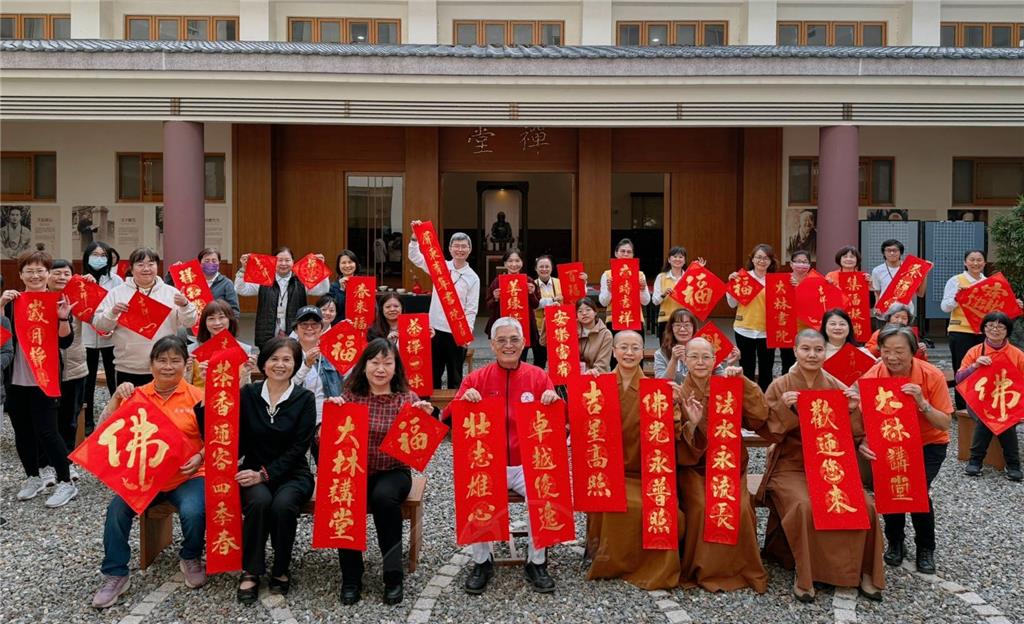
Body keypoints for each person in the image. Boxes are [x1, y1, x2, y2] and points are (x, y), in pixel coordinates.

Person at [761, 329, 884, 603]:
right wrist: (784, 409)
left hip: (831, 463)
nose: (812, 355)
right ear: (795, 351)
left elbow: (853, 433)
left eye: (818, 350)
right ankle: (806, 575)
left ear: (825, 352)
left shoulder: (836, 386)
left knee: (865, 506)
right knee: (804, 505)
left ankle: (864, 571)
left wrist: (852, 409)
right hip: (791, 465)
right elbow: (769, 433)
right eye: (806, 349)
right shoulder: (781, 386)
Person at [90, 336, 208, 609]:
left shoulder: (198, 397)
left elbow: (215, 439)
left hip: (187, 476)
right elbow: (103, 432)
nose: (168, 366)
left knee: (194, 510)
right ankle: (115, 574)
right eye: (162, 360)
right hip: (146, 477)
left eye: (175, 360)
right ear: (151, 363)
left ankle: (190, 556)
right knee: (116, 510)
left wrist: (200, 456)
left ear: (185, 364)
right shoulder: (137, 395)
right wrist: (116, 397)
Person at [444, 317, 559, 594]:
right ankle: (482, 561)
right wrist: (463, 400)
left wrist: (553, 401)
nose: (509, 345)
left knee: (542, 493)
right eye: (502, 341)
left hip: (525, 463)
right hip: (489, 462)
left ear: (523, 343)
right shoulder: (476, 378)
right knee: (477, 492)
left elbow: (559, 421)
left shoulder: (538, 377)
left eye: (514, 340)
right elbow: (449, 419)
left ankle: (536, 561)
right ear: (492, 345)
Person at [585, 330, 696, 589]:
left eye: (636, 348)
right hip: (610, 474)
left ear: (642, 354)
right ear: (613, 351)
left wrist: (675, 404)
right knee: (620, 507)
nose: (629, 353)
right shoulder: (597, 386)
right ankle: (612, 562)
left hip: (647, 474)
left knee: (666, 514)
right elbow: (581, 427)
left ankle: (653, 567)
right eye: (623, 347)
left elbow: (673, 434)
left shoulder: (654, 390)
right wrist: (585, 388)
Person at [330, 338, 434, 606]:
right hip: (356, 469)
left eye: (387, 363)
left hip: (393, 470)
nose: (380, 368)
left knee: (384, 499)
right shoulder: (350, 395)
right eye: (374, 362)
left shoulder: (406, 398)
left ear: (396, 367)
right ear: (363, 366)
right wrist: (333, 414)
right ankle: (351, 577)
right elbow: (327, 443)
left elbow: (418, 447)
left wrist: (425, 418)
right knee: (346, 497)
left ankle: (393, 576)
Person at [675, 338, 769, 592]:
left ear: (714, 359)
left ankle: (740, 568)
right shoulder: (679, 392)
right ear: (685, 360)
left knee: (740, 508)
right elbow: (671, 442)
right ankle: (702, 569)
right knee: (702, 506)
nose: (700, 362)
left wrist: (744, 382)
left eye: (706, 357)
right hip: (694, 467)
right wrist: (691, 424)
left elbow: (760, 416)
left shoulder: (728, 386)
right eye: (694, 357)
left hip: (728, 466)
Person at [857, 326, 952, 575]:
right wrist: (865, 441)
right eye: (886, 351)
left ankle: (925, 547)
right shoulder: (872, 375)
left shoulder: (932, 376)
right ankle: (895, 541)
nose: (892, 357)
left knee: (917, 490)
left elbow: (944, 423)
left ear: (913, 351)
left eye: (899, 351)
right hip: (890, 443)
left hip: (928, 443)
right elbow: (862, 415)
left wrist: (922, 403)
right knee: (891, 490)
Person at [234, 337, 316, 604]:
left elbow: (298, 448)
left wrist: (264, 474)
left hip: (293, 473)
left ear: (295, 364)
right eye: (274, 359)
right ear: (263, 362)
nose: (280, 365)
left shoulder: (304, 398)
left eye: (287, 359)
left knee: (282, 505)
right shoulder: (248, 394)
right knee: (258, 502)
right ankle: (251, 570)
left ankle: (281, 569)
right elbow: (231, 435)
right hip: (253, 469)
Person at [1, 248, 77, 508]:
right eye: (29, 271)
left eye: (40, 270)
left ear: (48, 273)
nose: (35, 275)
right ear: (20, 274)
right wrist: (0, 307)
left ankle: (66, 481)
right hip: (16, 378)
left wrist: (63, 317)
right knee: (22, 432)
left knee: (47, 431)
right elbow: (1, 339)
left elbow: (65, 341)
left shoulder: (57, 300)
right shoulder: (12, 302)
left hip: (44, 378)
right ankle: (33, 476)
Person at [93, 248, 198, 387]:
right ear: (131, 268)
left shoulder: (171, 292)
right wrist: (113, 312)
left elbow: (190, 322)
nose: (146, 269)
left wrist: (185, 305)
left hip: (164, 367)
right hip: (128, 366)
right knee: (130, 407)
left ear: (157, 266)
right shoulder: (117, 293)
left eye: (151, 264)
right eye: (140, 264)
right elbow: (99, 324)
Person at [941, 250, 1023, 413]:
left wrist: (1015, 305)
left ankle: (982, 403)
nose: (975, 263)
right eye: (971, 260)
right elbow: (944, 307)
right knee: (963, 368)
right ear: (965, 262)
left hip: (984, 333)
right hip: (961, 330)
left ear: (985, 263)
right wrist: (956, 299)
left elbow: (999, 310)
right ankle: (963, 407)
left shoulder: (990, 283)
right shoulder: (956, 281)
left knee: (986, 368)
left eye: (979, 260)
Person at [407, 222, 480, 389]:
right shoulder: (439, 266)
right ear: (450, 248)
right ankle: (434, 412)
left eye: (464, 246)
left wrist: (466, 334)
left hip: (457, 332)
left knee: (455, 377)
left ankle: (453, 414)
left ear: (469, 250)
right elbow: (415, 257)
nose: (460, 250)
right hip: (435, 330)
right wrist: (414, 237)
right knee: (434, 374)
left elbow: (471, 308)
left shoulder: (473, 277)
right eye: (456, 246)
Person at [955, 311, 1023, 481]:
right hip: (978, 401)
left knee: (1001, 417)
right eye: (990, 325)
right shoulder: (975, 351)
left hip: (1006, 403)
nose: (995, 329)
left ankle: (976, 461)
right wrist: (974, 366)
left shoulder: (1017, 354)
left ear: (1007, 331)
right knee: (988, 416)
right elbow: (959, 379)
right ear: (984, 329)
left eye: (1000, 326)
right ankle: (1013, 464)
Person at [234, 247, 330, 350]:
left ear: (293, 262)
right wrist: (243, 270)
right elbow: (241, 289)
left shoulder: (301, 279)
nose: (283, 264)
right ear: (273, 261)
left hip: (295, 332)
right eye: (280, 260)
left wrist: (321, 267)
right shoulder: (264, 278)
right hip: (268, 333)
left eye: (287, 260)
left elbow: (322, 290)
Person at [81, 241, 123, 433]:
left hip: (110, 336)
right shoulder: (80, 280)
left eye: (102, 255)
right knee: (87, 382)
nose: (99, 258)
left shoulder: (116, 281)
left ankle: (117, 417)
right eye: (94, 254)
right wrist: (84, 285)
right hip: (87, 337)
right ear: (87, 257)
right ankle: (88, 420)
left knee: (113, 380)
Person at [48, 259, 88, 454]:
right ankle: (47, 461)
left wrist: (91, 286)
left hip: (74, 366)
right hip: (45, 368)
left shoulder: (80, 297)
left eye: (66, 273)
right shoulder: (36, 299)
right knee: (47, 417)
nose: (61, 277)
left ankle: (68, 459)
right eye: (56, 273)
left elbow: (99, 317)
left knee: (70, 417)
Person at [727, 244, 775, 391]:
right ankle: (748, 401)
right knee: (746, 368)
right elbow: (732, 304)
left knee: (766, 370)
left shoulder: (776, 281)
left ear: (771, 261)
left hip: (767, 331)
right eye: (758, 257)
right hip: (744, 329)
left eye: (766, 258)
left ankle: (765, 401)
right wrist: (731, 285)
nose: (762, 261)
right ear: (752, 259)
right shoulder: (743, 278)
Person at [291, 306, 343, 432]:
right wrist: (306, 365)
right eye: (304, 324)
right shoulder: (287, 355)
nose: (309, 328)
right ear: (296, 329)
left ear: (321, 329)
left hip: (325, 421)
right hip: (295, 420)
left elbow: (350, 380)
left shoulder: (333, 354)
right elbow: (285, 386)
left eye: (314, 324)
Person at [184, 299, 256, 389]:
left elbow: (245, 389)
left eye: (221, 317)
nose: (217, 323)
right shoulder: (192, 351)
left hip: (232, 401)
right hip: (199, 400)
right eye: (211, 318)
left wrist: (246, 372)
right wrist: (187, 370)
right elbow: (186, 387)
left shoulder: (244, 349)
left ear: (230, 319)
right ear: (204, 323)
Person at [485, 248, 540, 363]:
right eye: (510, 261)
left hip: (524, 327)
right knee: (503, 357)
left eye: (517, 260)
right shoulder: (497, 281)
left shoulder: (528, 280)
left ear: (522, 262)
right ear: (505, 263)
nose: (514, 264)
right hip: (502, 328)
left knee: (522, 359)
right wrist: (495, 298)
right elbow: (488, 306)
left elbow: (536, 305)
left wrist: (531, 293)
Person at [654, 308, 737, 383]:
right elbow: (660, 384)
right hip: (675, 398)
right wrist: (673, 360)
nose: (682, 329)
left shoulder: (706, 348)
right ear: (671, 328)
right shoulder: (661, 354)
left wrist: (729, 364)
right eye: (678, 325)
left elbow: (720, 378)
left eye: (687, 325)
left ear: (694, 327)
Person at [599, 238, 651, 336]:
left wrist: (642, 289)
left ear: (633, 255)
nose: (626, 254)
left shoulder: (640, 275)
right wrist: (610, 290)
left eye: (629, 252)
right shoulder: (607, 274)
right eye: (622, 251)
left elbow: (646, 301)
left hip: (635, 319)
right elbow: (603, 302)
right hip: (613, 319)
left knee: (636, 350)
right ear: (616, 253)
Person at [651, 247, 706, 338]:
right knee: (666, 350)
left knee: (685, 349)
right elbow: (655, 301)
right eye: (674, 256)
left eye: (681, 257)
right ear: (669, 259)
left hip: (685, 321)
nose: (677, 259)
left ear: (684, 261)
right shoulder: (661, 277)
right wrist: (664, 294)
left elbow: (698, 298)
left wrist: (699, 271)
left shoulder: (691, 278)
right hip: (666, 319)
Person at [870, 239, 927, 323]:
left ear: (901, 252)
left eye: (895, 250)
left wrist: (924, 274)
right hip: (885, 313)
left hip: (905, 314)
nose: (892, 253)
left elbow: (920, 294)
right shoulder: (877, 271)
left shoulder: (910, 269)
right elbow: (877, 293)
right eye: (888, 250)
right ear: (884, 253)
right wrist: (877, 307)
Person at [864, 304, 929, 362]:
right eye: (896, 317)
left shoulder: (910, 335)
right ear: (889, 318)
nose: (900, 321)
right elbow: (868, 353)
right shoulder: (879, 333)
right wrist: (879, 346)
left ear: (908, 321)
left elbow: (919, 359)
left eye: (904, 318)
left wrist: (921, 351)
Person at [532, 255, 562, 370]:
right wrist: (552, 301)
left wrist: (582, 283)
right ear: (536, 268)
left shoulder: (560, 282)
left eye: (547, 266)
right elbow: (534, 304)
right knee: (539, 360)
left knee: (558, 360)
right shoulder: (532, 285)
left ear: (552, 268)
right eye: (541, 267)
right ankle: (538, 386)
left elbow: (572, 298)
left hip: (559, 328)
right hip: (539, 329)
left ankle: (559, 387)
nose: (544, 269)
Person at [575, 297, 612, 375]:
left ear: (595, 312)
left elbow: (603, 363)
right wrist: (554, 312)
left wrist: (592, 372)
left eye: (588, 310)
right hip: (574, 375)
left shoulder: (605, 334)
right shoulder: (570, 330)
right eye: (580, 311)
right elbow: (544, 342)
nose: (584, 313)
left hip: (596, 376)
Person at [328, 250, 359, 321]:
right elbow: (334, 310)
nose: (347, 265)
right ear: (338, 266)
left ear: (356, 264)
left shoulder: (364, 284)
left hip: (359, 323)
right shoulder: (333, 286)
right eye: (343, 263)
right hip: (340, 325)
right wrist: (341, 290)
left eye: (350, 262)